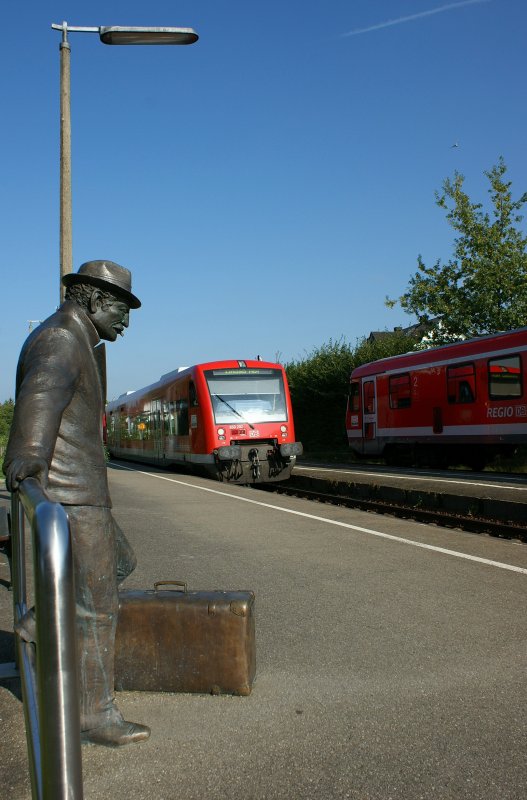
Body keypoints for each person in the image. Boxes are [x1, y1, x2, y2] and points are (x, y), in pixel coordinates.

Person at [3, 260, 150, 747]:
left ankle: (38, 619)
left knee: (122, 562)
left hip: (84, 493)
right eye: (121, 309)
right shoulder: (63, 339)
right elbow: (40, 399)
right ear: (93, 300)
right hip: (72, 496)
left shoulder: (75, 337)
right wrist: (27, 463)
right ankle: (95, 714)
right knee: (99, 607)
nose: (126, 321)